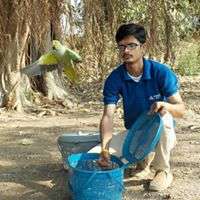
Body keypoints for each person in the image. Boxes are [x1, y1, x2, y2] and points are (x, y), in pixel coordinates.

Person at [89, 23, 185, 191]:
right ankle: (143, 161)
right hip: (135, 134)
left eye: (132, 45)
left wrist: (165, 105)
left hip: (161, 131)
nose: (126, 51)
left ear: (143, 47)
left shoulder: (160, 72)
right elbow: (108, 116)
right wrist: (105, 149)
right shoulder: (115, 78)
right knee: (91, 159)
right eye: (122, 46)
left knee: (163, 114)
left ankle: (163, 171)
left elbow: (181, 109)